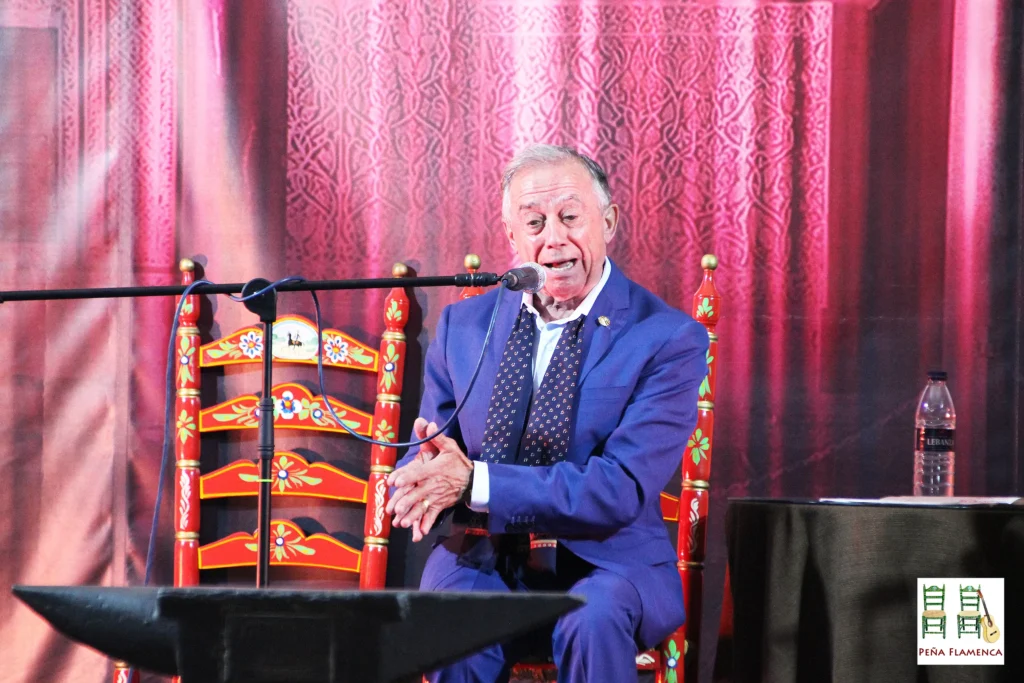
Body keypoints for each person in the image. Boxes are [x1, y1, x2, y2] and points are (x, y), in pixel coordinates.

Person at [385, 144, 709, 683]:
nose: (552, 237)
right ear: (512, 238)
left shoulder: (665, 338)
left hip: (608, 561)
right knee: (450, 620)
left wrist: (476, 481)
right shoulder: (463, 328)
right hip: (484, 553)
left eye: (570, 217)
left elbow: (619, 487)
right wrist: (424, 481)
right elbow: (438, 455)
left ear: (607, 222)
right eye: (534, 222)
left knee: (591, 619)